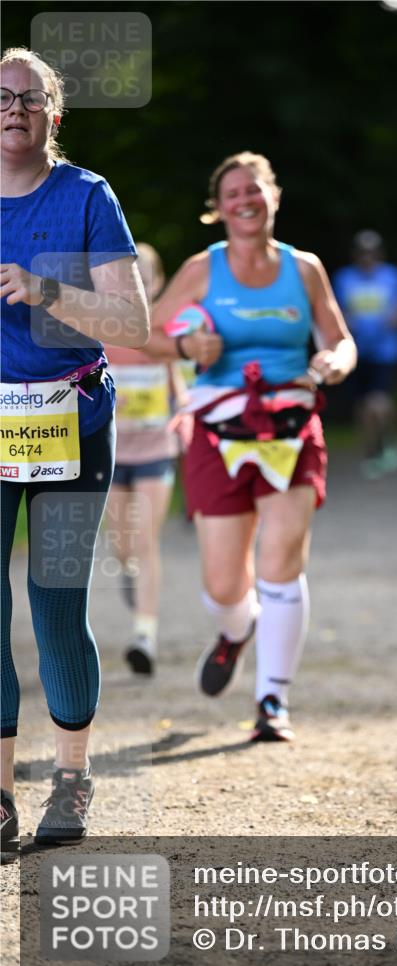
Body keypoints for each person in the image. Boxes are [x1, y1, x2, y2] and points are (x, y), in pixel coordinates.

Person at [143, 151, 356, 741]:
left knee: (281, 563)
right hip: (219, 432)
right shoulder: (201, 270)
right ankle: (237, 630)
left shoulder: (305, 268)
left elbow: (340, 339)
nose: (245, 200)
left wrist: (332, 362)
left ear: (274, 197)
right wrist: (189, 351)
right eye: (233, 193)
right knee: (223, 584)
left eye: (254, 190)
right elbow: (151, 334)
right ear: (219, 209)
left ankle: (272, 702)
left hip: (291, 427)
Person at [0, 48, 149, 850]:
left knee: (56, 603)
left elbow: (134, 325)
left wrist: (47, 288)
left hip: (73, 421)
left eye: (29, 98)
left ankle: (70, 783)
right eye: (1, 97)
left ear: (52, 115)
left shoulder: (88, 196)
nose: (13, 108)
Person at [105, 243, 185, 674]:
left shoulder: (166, 330)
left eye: (147, 278)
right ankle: (130, 576)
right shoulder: (106, 329)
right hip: (114, 454)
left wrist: (186, 416)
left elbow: (180, 385)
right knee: (123, 548)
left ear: (158, 284)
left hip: (156, 450)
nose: (140, 286)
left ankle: (144, 635)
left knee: (146, 540)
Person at [332, 231, 397, 478]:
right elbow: (336, 308)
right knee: (363, 405)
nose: (368, 257)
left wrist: (394, 319)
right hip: (356, 350)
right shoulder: (344, 278)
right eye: (363, 253)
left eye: (372, 252)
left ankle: (388, 439)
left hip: (385, 351)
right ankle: (372, 448)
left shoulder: (393, 276)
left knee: (378, 400)